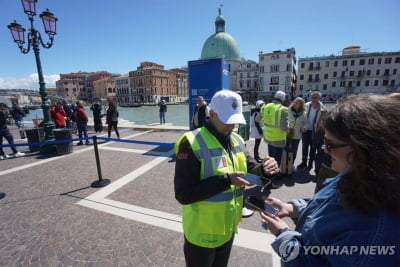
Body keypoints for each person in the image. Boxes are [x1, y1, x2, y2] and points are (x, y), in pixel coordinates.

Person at [259, 94, 400, 266]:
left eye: (330, 144)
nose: (325, 150)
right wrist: (294, 208)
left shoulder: (376, 232)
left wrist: (284, 236)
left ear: (363, 148)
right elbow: (328, 202)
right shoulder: (357, 174)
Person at [174, 90, 280, 267]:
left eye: (235, 121)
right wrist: (226, 181)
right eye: (227, 120)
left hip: (228, 229)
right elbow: (183, 195)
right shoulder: (191, 142)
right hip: (202, 235)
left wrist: (265, 169)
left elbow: (251, 169)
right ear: (212, 113)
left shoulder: (237, 139)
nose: (231, 126)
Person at [297, 91, 327, 170]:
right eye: (312, 97)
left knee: (313, 149)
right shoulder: (306, 105)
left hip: (315, 132)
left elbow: (324, 122)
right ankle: (303, 162)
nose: (313, 99)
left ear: (319, 98)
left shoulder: (323, 109)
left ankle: (310, 164)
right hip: (306, 130)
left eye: (315, 97)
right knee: (304, 148)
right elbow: (301, 117)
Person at [261, 90, 288, 166]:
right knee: (277, 160)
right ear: (283, 99)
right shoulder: (284, 109)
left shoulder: (265, 107)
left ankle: (270, 174)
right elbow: (284, 127)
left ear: (275, 97)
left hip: (268, 136)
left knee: (271, 158)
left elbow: (257, 119)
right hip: (278, 138)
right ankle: (275, 175)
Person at [286, 97, 307, 172]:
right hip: (287, 133)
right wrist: (287, 126)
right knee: (286, 150)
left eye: (297, 102)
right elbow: (285, 120)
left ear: (301, 104)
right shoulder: (288, 110)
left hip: (297, 135)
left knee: (294, 151)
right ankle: (284, 165)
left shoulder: (304, 113)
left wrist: (304, 128)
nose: (295, 103)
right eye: (294, 101)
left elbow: (306, 123)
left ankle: (291, 165)